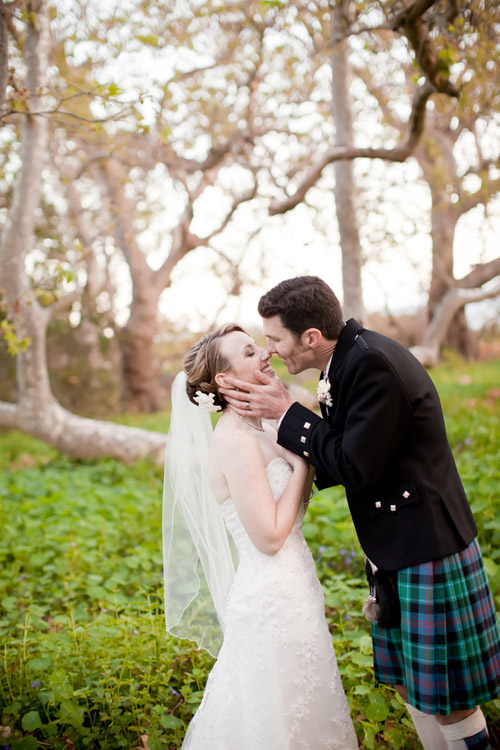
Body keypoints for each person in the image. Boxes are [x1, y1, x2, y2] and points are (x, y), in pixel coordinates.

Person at [219, 276, 500, 750]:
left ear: (310, 338)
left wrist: (288, 413)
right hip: (397, 545)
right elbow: (349, 447)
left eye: (275, 339)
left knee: (450, 700)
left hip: (425, 546)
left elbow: (354, 464)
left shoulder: (371, 365)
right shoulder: (347, 359)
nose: (270, 350)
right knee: (415, 687)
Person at [163, 323, 358, 750]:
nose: (265, 355)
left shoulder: (263, 430)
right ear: (225, 381)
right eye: (250, 352)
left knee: (307, 707)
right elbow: (269, 538)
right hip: (270, 601)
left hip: (297, 586)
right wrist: (303, 467)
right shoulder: (234, 442)